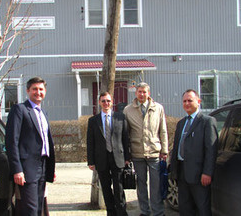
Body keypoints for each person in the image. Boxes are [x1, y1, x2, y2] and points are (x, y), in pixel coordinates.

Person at [5, 77, 55, 216]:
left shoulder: (43, 113)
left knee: (39, 207)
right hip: (27, 169)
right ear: (28, 91)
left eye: (41, 89)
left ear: (45, 91)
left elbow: (46, 142)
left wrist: (51, 168)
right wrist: (17, 170)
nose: (38, 92)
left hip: (43, 165)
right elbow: (11, 141)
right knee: (30, 209)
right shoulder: (19, 110)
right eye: (34, 89)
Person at [169, 89, 218, 216]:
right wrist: (174, 170)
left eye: (190, 100)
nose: (187, 103)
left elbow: (211, 149)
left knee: (202, 208)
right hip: (182, 173)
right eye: (184, 101)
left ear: (198, 101)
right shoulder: (181, 123)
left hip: (199, 175)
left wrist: (207, 172)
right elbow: (176, 147)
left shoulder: (207, 121)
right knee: (185, 208)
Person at [123, 82, 168, 216]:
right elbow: (126, 134)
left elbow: (163, 130)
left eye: (144, 92)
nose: (142, 94)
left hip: (154, 152)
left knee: (156, 186)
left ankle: (158, 212)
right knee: (141, 185)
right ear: (135, 93)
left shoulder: (158, 108)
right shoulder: (128, 110)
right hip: (137, 153)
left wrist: (164, 150)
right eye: (139, 92)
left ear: (149, 93)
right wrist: (127, 154)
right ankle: (145, 212)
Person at [87, 92, 131, 216]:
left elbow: (125, 138)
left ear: (112, 102)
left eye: (108, 101)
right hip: (101, 159)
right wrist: (91, 161)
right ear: (99, 103)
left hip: (118, 158)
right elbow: (90, 142)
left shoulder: (120, 117)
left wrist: (127, 157)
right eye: (103, 101)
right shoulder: (93, 121)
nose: (106, 103)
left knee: (119, 189)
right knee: (106, 189)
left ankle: (122, 212)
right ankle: (111, 213)